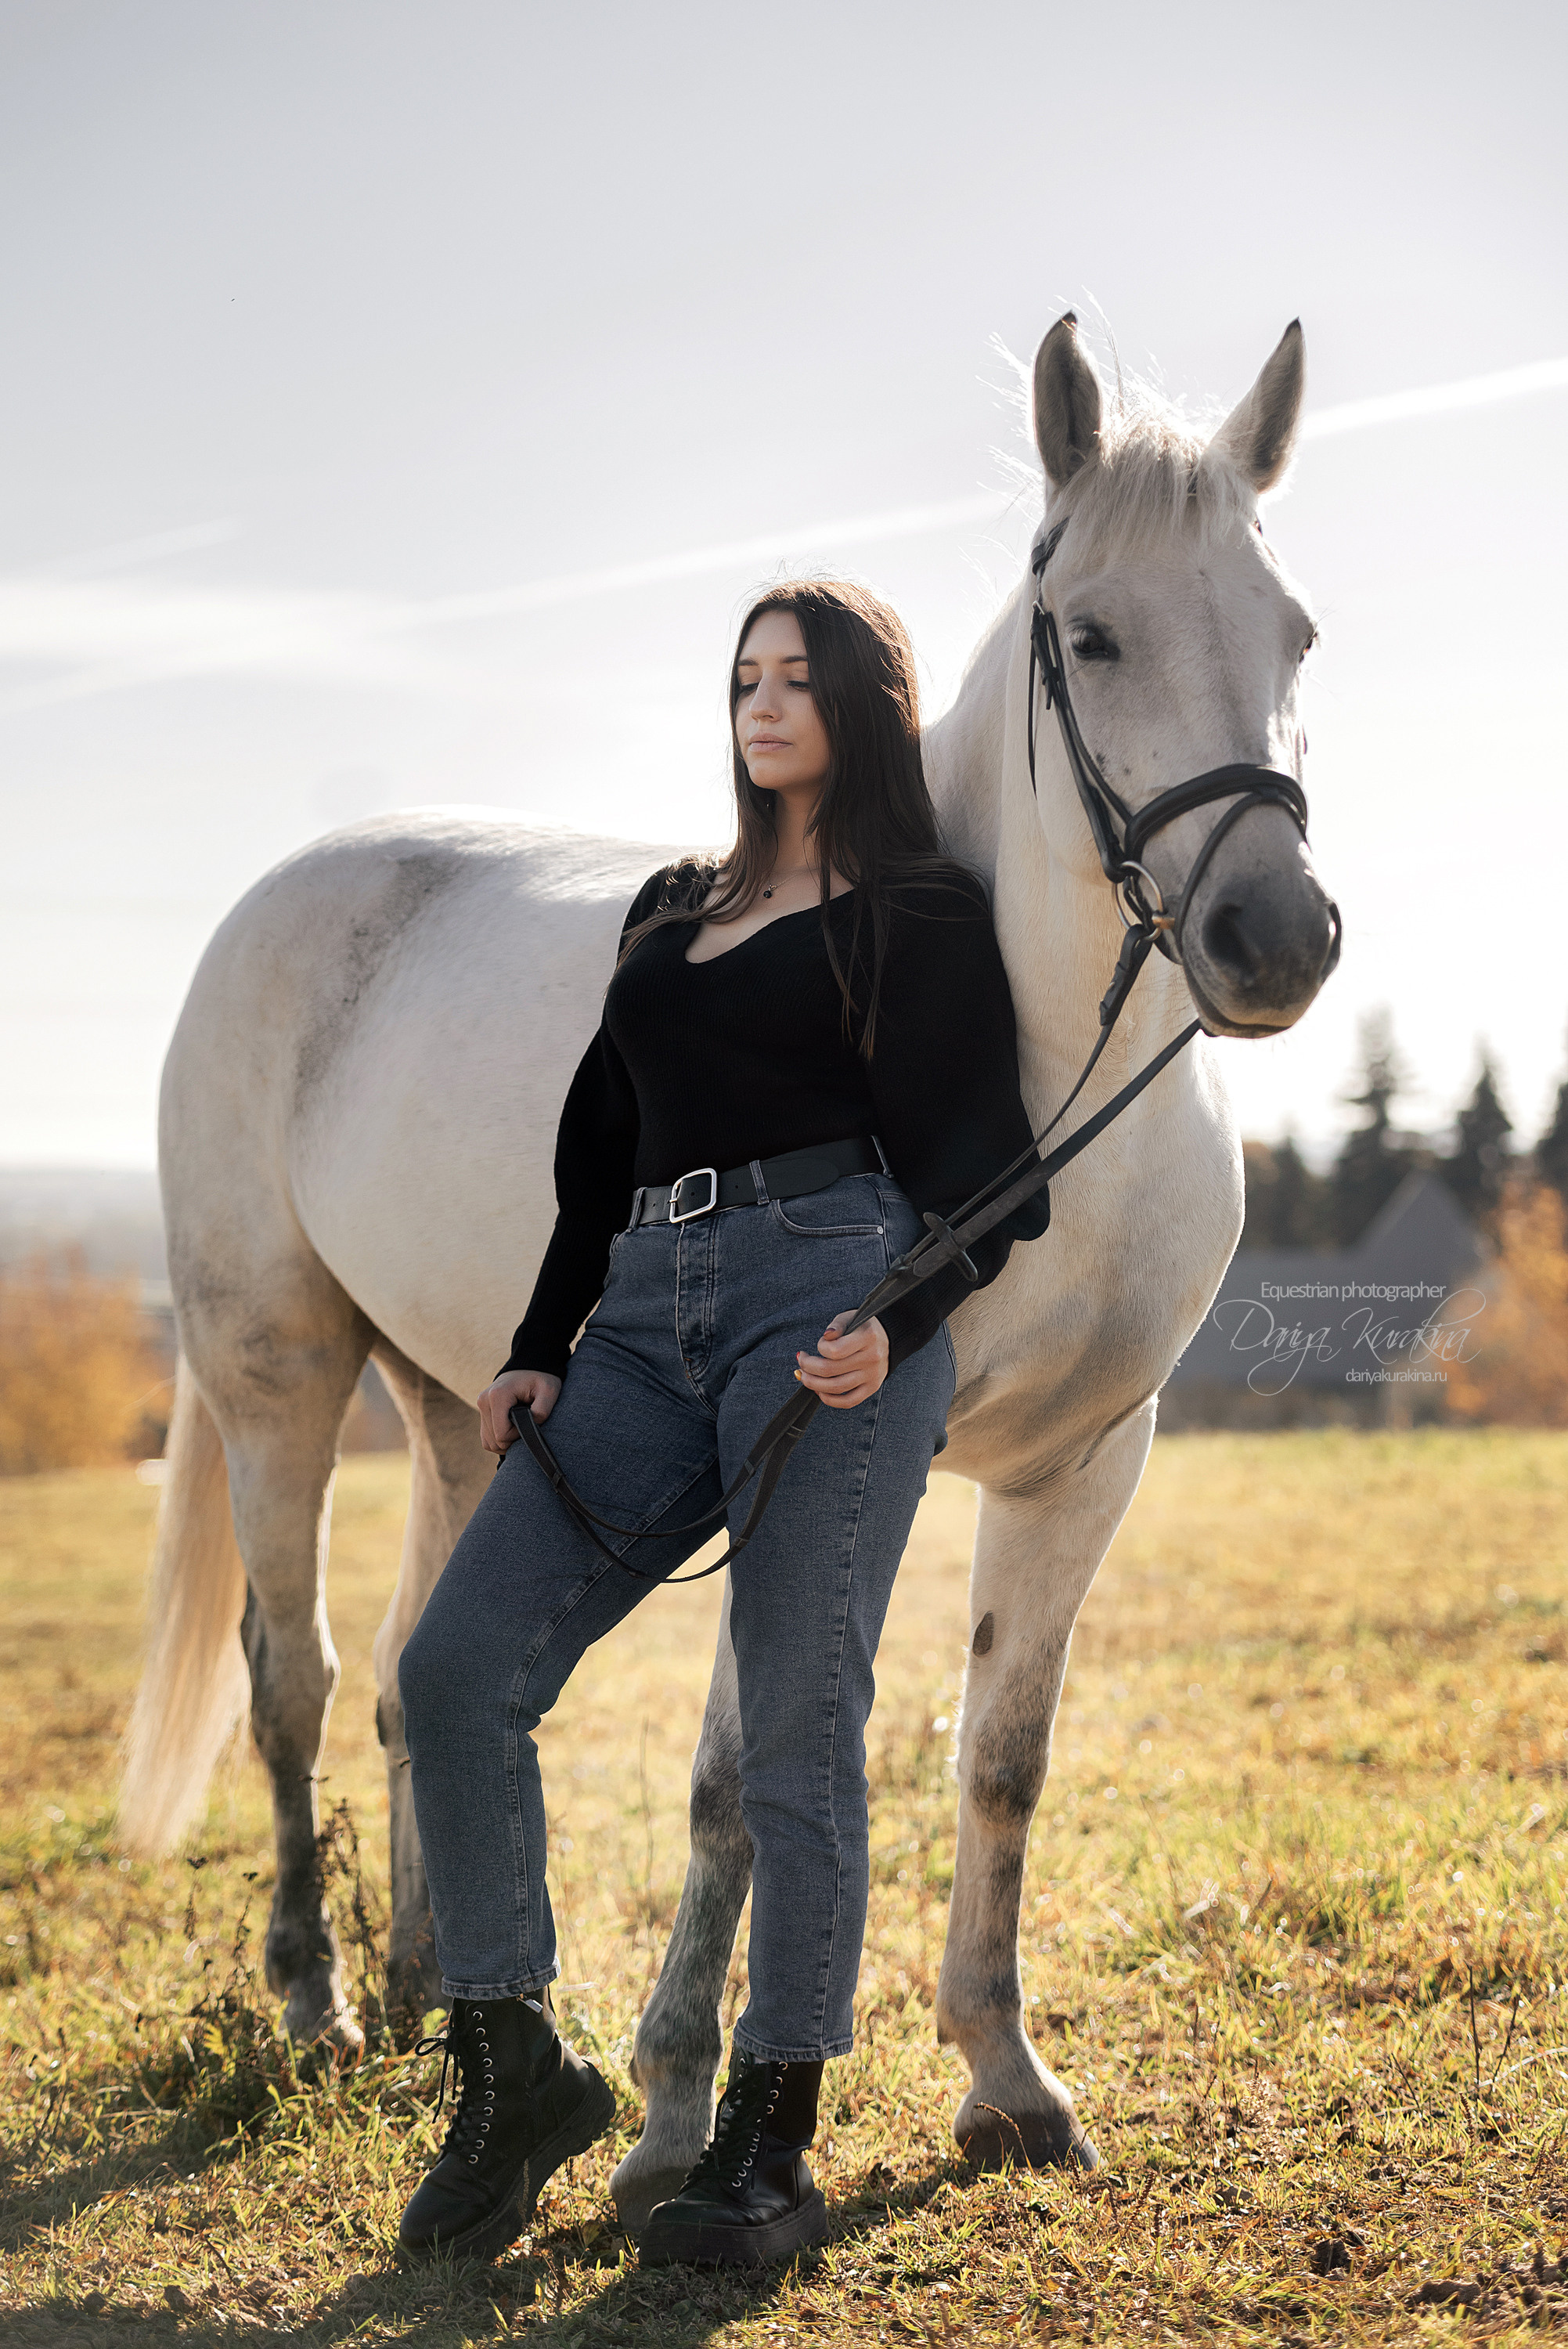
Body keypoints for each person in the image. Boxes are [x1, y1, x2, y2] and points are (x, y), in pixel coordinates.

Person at [395, 579, 1048, 2271]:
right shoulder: (674, 906)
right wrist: (538, 1345)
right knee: (457, 1673)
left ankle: (768, 2143)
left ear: (863, 705)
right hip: (638, 1311)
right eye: (745, 677)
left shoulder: (920, 910)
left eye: (796, 679)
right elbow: (595, 1148)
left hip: (827, 1306)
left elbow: (998, 1176)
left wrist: (897, 1319)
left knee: (796, 1733)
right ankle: (514, 2076)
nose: (762, 705)